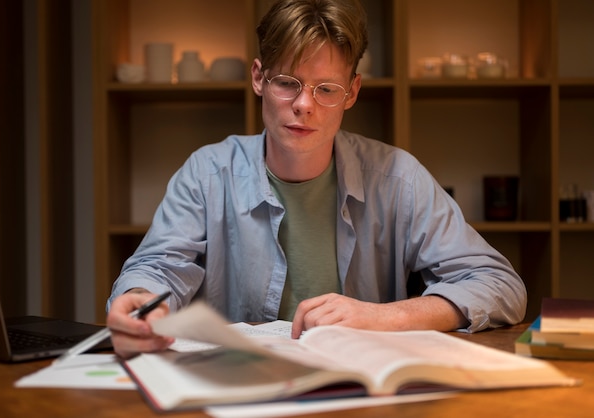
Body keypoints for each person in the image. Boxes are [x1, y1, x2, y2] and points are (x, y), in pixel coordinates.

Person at [106, 0, 527, 359]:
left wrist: (384, 316)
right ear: (258, 78)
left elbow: (500, 285)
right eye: (287, 83)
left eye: (326, 89)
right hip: (237, 391)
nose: (304, 105)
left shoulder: (399, 177)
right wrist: (141, 301)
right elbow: (158, 267)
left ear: (353, 91)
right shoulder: (206, 173)